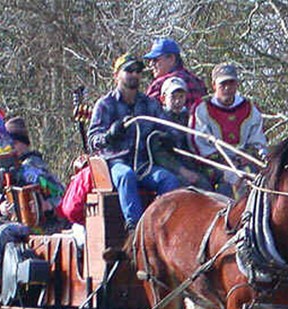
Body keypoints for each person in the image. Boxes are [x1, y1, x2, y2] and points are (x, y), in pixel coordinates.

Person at [0, 115, 67, 309]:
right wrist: (0, 204)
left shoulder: (34, 169)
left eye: (10, 145)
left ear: (19, 144)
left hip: (41, 227)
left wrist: (47, 206)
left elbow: (61, 197)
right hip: (14, 221)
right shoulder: (8, 169)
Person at [87, 52, 180, 231]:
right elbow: (93, 140)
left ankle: (163, 227)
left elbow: (168, 128)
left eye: (138, 71)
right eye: (129, 70)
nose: (135, 74)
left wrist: (170, 138)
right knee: (126, 175)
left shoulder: (149, 104)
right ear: (116, 75)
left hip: (144, 165)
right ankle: (135, 228)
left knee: (168, 180)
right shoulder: (105, 105)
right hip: (115, 164)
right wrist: (109, 135)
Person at [188, 63, 268, 197]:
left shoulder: (249, 108)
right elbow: (198, 142)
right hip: (214, 163)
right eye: (223, 84)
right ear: (214, 85)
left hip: (244, 160)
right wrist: (223, 161)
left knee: (260, 179)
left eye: (231, 83)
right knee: (227, 183)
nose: (227, 88)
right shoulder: (202, 109)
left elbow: (258, 140)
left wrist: (247, 155)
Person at [148, 77, 212, 189]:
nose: (177, 101)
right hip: (169, 168)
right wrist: (183, 171)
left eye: (181, 97)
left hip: (191, 165)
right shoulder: (158, 120)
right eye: (173, 97)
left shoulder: (191, 118)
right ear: (163, 98)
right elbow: (159, 154)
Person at [143, 38, 207, 110]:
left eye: (155, 60)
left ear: (171, 59)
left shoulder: (159, 84)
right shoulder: (197, 81)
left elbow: (146, 114)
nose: (151, 64)